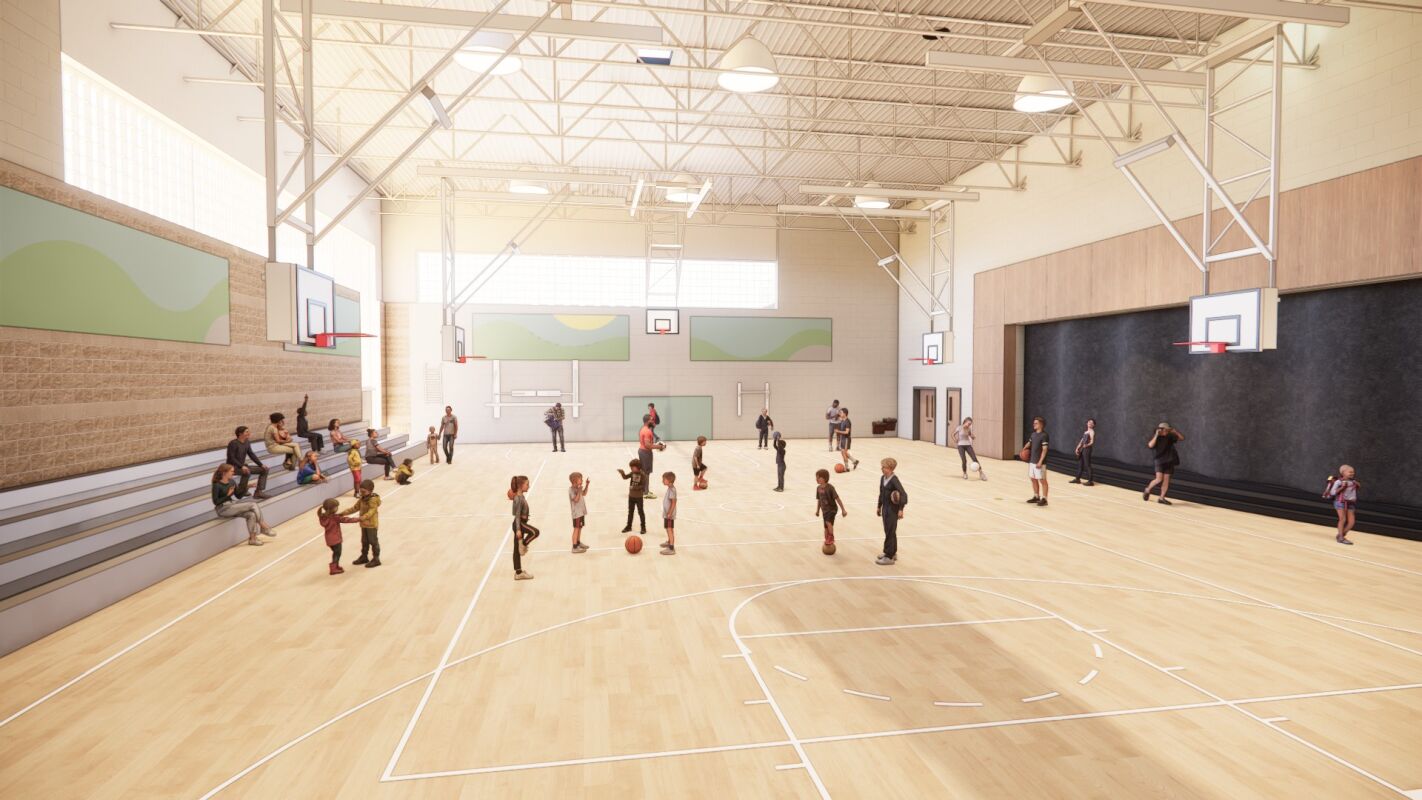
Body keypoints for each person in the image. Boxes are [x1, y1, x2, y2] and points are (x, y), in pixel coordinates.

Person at [211, 464, 273, 546]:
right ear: (224, 472)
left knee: (251, 515)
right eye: (231, 471)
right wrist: (228, 495)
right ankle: (264, 526)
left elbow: (238, 495)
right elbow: (216, 502)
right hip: (222, 509)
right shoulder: (216, 485)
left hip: (231, 506)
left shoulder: (232, 482)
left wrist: (248, 487)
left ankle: (253, 539)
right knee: (253, 504)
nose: (233, 473)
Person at [342, 479, 381, 568]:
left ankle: (376, 559)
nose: (361, 493)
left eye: (363, 491)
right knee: (364, 541)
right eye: (360, 491)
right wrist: (343, 513)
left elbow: (372, 510)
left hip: (371, 524)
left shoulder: (373, 500)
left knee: (373, 541)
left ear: (370, 491)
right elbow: (355, 508)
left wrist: (364, 517)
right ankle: (364, 556)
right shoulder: (362, 498)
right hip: (364, 524)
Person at [876, 458, 907, 565]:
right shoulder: (882, 478)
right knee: (889, 531)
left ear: (890, 468)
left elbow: (903, 494)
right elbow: (881, 493)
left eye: (884, 467)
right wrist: (879, 506)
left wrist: (901, 509)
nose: (882, 469)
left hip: (892, 510)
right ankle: (892, 552)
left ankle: (888, 556)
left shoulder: (894, 480)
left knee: (890, 531)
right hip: (885, 508)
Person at [225, 426, 271, 500]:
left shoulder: (247, 442)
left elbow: (251, 454)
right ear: (240, 434)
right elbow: (231, 457)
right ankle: (242, 491)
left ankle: (258, 492)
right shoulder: (233, 443)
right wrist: (241, 466)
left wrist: (261, 464)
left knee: (264, 470)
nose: (249, 433)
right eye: (247, 432)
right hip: (232, 467)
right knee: (247, 472)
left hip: (241, 466)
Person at [1144, 422, 1184, 505]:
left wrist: (1175, 431)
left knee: (1166, 480)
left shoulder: (1170, 436)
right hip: (1159, 460)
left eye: (1167, 430)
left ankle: (1161, 498)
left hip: (1169, 461)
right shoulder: (1157, 437)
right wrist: (1156, 435)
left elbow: (1182, 438)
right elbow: (1150, 445)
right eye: (1165, 430)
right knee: (1159, 479)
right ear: (1160, 430)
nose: (1166, 431)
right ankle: (1147, 489)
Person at [318, 498, 360, 575]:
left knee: (335, 552)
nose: (337, 508)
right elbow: (346, 520)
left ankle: (336, 566)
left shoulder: (323, 517)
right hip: (336, 539)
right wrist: (358, 519)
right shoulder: (335, 517)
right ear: (332, 508)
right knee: (337, 553)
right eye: (336, 507)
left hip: (329, 539)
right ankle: (333, 568)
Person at [1323, 465, 1360, 545]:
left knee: (1351, 522)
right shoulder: (1339, 482)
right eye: (1350, 472)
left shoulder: (1353, 482)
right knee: (1342, 519)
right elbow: (1332, 492)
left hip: (1350, 503)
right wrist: (1342, 488)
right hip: (1340, 502)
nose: (1352, 473)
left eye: (1353, 472)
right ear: (1343, 472)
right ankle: (1340, 537)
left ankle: (1341, 535)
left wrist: (1357, 485)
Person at [510, 475, 538, 581]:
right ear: (521, 486)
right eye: (527, 484)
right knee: (535, 532)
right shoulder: (518, 498)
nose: (529, 486)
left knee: (516, 550)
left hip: (521, 523)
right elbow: (516, 515)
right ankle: (523, 546)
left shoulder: (520, 496)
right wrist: (518, 529)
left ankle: (518, 572)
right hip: (520, 524)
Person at [814, 468, 847, 548]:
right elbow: (819, 500)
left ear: (824, 478)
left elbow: (837, 498)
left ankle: (831, 536)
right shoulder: (818, 488)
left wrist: (843, 509)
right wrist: (817, 510)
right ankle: (827, 539)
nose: (817, 479)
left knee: (828, 522)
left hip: (832, 509)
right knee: (825, 527)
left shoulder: (830, 488)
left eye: (819, 477)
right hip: (824, 511)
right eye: (816, 477)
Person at [1023, 416, 1050, 506]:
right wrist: (1024, 448)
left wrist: (1040, 461)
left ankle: (1045, 499)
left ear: (1041, 424)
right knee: (1033, 479)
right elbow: (1030, 442)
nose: (1033, 424)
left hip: (1039, 462)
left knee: (1042, 480)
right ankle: (1036, 496)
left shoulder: (1044, 435)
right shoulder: (1033, 434)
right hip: (1032, 461)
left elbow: (1044, 449)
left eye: (1036, 423)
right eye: (1034, 423)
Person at [618, 459, 648, 534]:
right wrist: (622, 473)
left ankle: (643, 527)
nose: (631, 469)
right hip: (631, 496)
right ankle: (628, 526)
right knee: (630, 512)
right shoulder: (632, 473)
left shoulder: (642, 475)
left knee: (640, 512)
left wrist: (635, 488)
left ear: (638, 467)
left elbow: (643, 487)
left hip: (639, 497)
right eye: (631, 467)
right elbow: (625, 477)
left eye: (632, 467)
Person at [952, 417, 985, 481]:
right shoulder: (959, 428)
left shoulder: (969, 429)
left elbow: (970, 435)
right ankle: (964, 473)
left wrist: (972, 437)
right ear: (965, 422)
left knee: (974, 458)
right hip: (960, 446)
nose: (969, 425)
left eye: (970, 424)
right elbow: (952, 434)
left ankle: (981, 473)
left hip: (968, 445)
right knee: (964, 460)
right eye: (968, 423)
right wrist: (955, 440)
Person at [569, 472, 590, 553]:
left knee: (580, 528)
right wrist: (579, 490)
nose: (582, 480)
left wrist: (587, 485)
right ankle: (574, 547)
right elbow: (576, 499)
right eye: (580, 479)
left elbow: (584, 493)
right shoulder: (571, 490)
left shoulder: (578, 488)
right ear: (575, 480)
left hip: (581, 512)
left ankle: (578, 542)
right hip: (577, 513)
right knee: (576, 529)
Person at [638, 415, 658, 500]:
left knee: (644, 472)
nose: (653, 421)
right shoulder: (647, 431)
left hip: (643, 452)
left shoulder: (644, 429)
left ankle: (645, 490)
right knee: (646, 473)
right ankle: (645, 493)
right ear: (647, 421)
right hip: (646, 453)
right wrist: (659, 447)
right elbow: (647, 445)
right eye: (651, 420)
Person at [1071, 418, 1096, 486]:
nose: (1090, 423)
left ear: (1093, 425)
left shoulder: (1092, 431)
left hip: (1087, 449)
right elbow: (1082, 441)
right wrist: (1077, 447)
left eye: (1092, 423)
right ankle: (1077, 479)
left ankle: (1090, 481)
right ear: (1087, 423)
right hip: (1083, 449)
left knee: (1087, 465)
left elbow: (1092, 441)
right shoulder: (1085, 432)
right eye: (1089, 422)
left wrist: (1087, 445)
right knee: (1080, 464)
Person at [661, 472, 678, 555]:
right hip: (667, 514)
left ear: (669, 480)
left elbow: (674, 502)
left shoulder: (672, 490)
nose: (662, 481)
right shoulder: (670, 488)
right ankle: (669, 541)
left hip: (669, 515)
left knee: (670, 529)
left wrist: (669, 513)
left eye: (664, 479)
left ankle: (671, 548)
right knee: (668, 528)